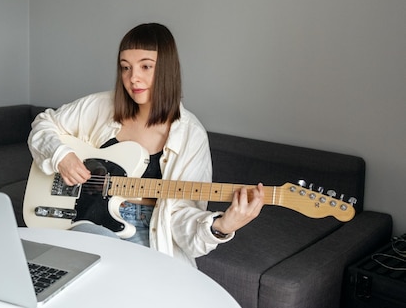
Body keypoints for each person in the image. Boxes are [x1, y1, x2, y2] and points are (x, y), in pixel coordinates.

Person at [27, 23, 264, 266]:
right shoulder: (101, 106)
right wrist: (61, 155)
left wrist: (221, 227)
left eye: (146, 66)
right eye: (125, 68)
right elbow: (43, 124)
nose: (133, 78)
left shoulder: (190, 135)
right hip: (85, 220)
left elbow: (183, 219)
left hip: (148, 228)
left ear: (166, 70)